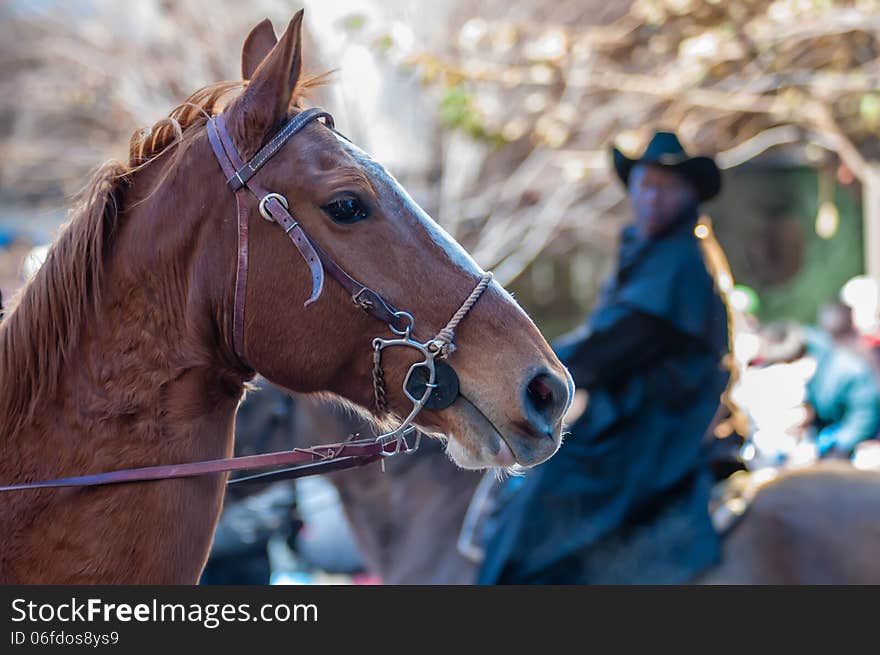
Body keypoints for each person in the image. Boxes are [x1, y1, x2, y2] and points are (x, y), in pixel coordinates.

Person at [478, 131, 731, 584]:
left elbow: (613, 344)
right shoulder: (650, 250)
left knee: (546, 498)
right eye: (645, 185)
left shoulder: (679, 262)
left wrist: (528, 367)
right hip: (632, 413)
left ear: (689, 194)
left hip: (657, 426)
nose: (653, 198)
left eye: (666, 188)